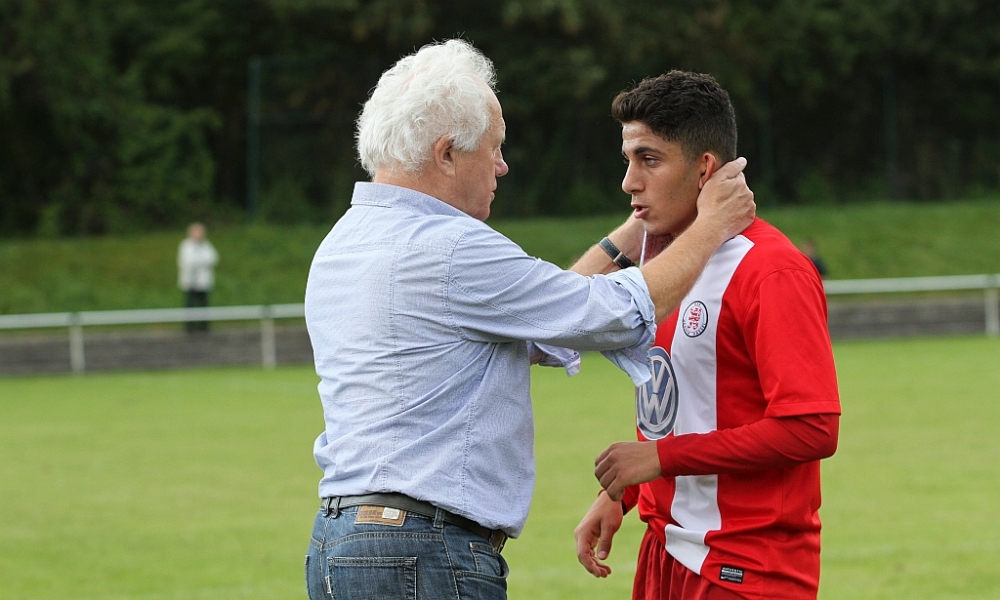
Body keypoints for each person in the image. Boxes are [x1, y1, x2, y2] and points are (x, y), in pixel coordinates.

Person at [302, 40, 755, 600]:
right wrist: (709, 225)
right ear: (446, 154)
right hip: (423, 550)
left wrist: (643, 222)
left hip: (339, 541)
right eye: (493, 148)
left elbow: (546, 320)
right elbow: (610, 314)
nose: (502, 165)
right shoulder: (451, 248)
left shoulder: (344, 242)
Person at [573, 71, 841, 600]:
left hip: (744, 567)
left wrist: (660, 459)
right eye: (627, 160)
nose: (629, 181)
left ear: (705, 169)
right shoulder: (665, 267)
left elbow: (812, 429)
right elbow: (679, 400)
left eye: (649, 160)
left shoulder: (772, 271)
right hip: (664, 550)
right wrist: (626, 493)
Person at [177, 222, 218, 332]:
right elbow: (187, 261)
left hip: (203, 281)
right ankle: (189, 327)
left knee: (204, 304)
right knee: (190, 304)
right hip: (190, 281)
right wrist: (201, 262)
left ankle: (204, 326)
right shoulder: (186, 245)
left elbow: (213, 258)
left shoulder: (206, 245)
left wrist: (199, 261)